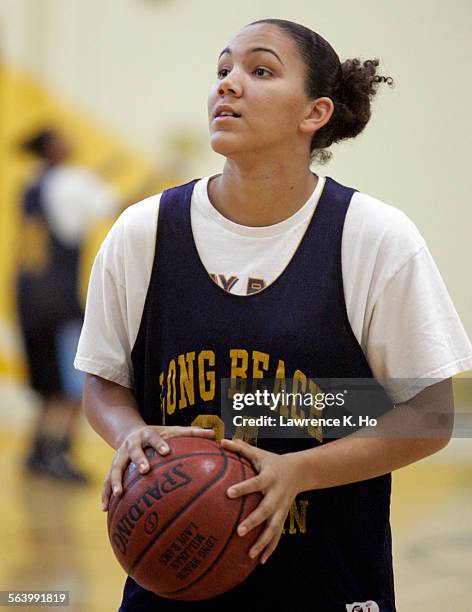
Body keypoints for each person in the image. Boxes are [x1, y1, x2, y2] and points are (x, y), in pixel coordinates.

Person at [74, 19, 472, 611]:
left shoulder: (374, 237)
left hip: (327, 583)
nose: (228, 84)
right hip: (172, 584)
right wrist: (130, 433)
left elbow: (434, 413)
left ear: (314, 113)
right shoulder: (144, 231)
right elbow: (104, 382)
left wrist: (299, 471)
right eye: (222, 70)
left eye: (259, 71)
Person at [18, 128, 119, 483]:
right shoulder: (72, 181)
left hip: (27, 299)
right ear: (51, 147)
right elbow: (120, 208)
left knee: (48, 386)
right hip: (58, 301)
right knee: (74, 386)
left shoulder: (31, 185)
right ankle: (58, 453)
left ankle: (37, 452)